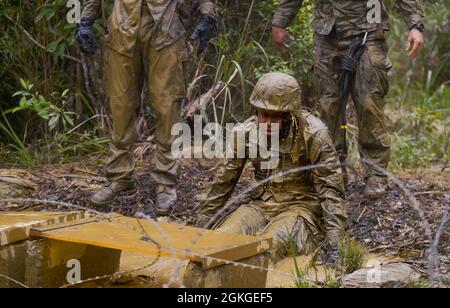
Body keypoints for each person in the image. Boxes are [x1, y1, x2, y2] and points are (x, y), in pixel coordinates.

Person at [75, 0, 216, 214]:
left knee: (167, 105)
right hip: (122, 29)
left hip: (167, 28)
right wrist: (85, 20)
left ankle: (165, 180)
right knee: (121, 104)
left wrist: (208, 15)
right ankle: (119, 175)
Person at [272, 0, 425, 197]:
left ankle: (376, 174)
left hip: (367, 32)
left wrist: (416, 25)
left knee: (369, 104)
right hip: (327, 32)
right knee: (328, 106)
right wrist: (280, 22)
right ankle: (332, 171)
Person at [196, 72, 347, 263]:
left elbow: (331, 190)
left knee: (265, 249)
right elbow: (222, 183)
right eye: (264, 115)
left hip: (301, 209)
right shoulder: (245, 133)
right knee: (220, 241)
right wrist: (199, 230)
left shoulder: (314, 134)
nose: (268, 123)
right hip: (260, 205)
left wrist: (335, 246)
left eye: (275, 117)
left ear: (290, 114)